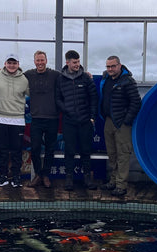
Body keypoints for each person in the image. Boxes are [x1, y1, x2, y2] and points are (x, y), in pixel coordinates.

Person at [99, 55, 142, 197]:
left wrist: (127, 121)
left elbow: (136, 102)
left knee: (123, 154)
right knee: (112, 154)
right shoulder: (106, 80)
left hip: (122, 124)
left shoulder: (128, 81)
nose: (110, 69)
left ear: (119, 65)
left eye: (113, 66)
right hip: (109, 121)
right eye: (108, 66)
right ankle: (113, 181)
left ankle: (121, 185)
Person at [56, 50, 98, 191]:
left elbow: (94, 98)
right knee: (69, 150)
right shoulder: (60, 79)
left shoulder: (86, 78)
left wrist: (92, 117)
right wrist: (66, 109)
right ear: (67, 62)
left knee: (86, 150)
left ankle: (87, 178)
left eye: (78, 62)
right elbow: (58, 99)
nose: (77, 64)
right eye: (74, 62)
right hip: (69, 121)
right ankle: (69, 179)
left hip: (85, 121)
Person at [24, 51, 60, 188]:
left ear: (46, 60)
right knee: (35, 148)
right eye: (37, 60)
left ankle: (46, 175)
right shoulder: (28, 74)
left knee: (50, 149)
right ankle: (38, 174)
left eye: (42, 60)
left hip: (52, 118)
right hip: (36, 119)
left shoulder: (55, 74)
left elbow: (69, 75)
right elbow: (14, 74)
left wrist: (86, 74)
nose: (40, 63)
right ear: (34, 62)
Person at [0, 54, 30, 188]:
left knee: (16, 151)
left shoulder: (25, 79)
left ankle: (16, 177)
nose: (12, 65)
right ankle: (2, 176)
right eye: (9, 62)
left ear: (18, 64)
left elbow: (34, 94)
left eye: (14, 63)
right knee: (2, 150)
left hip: (18, 120)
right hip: (0, 119)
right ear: (5, 63)